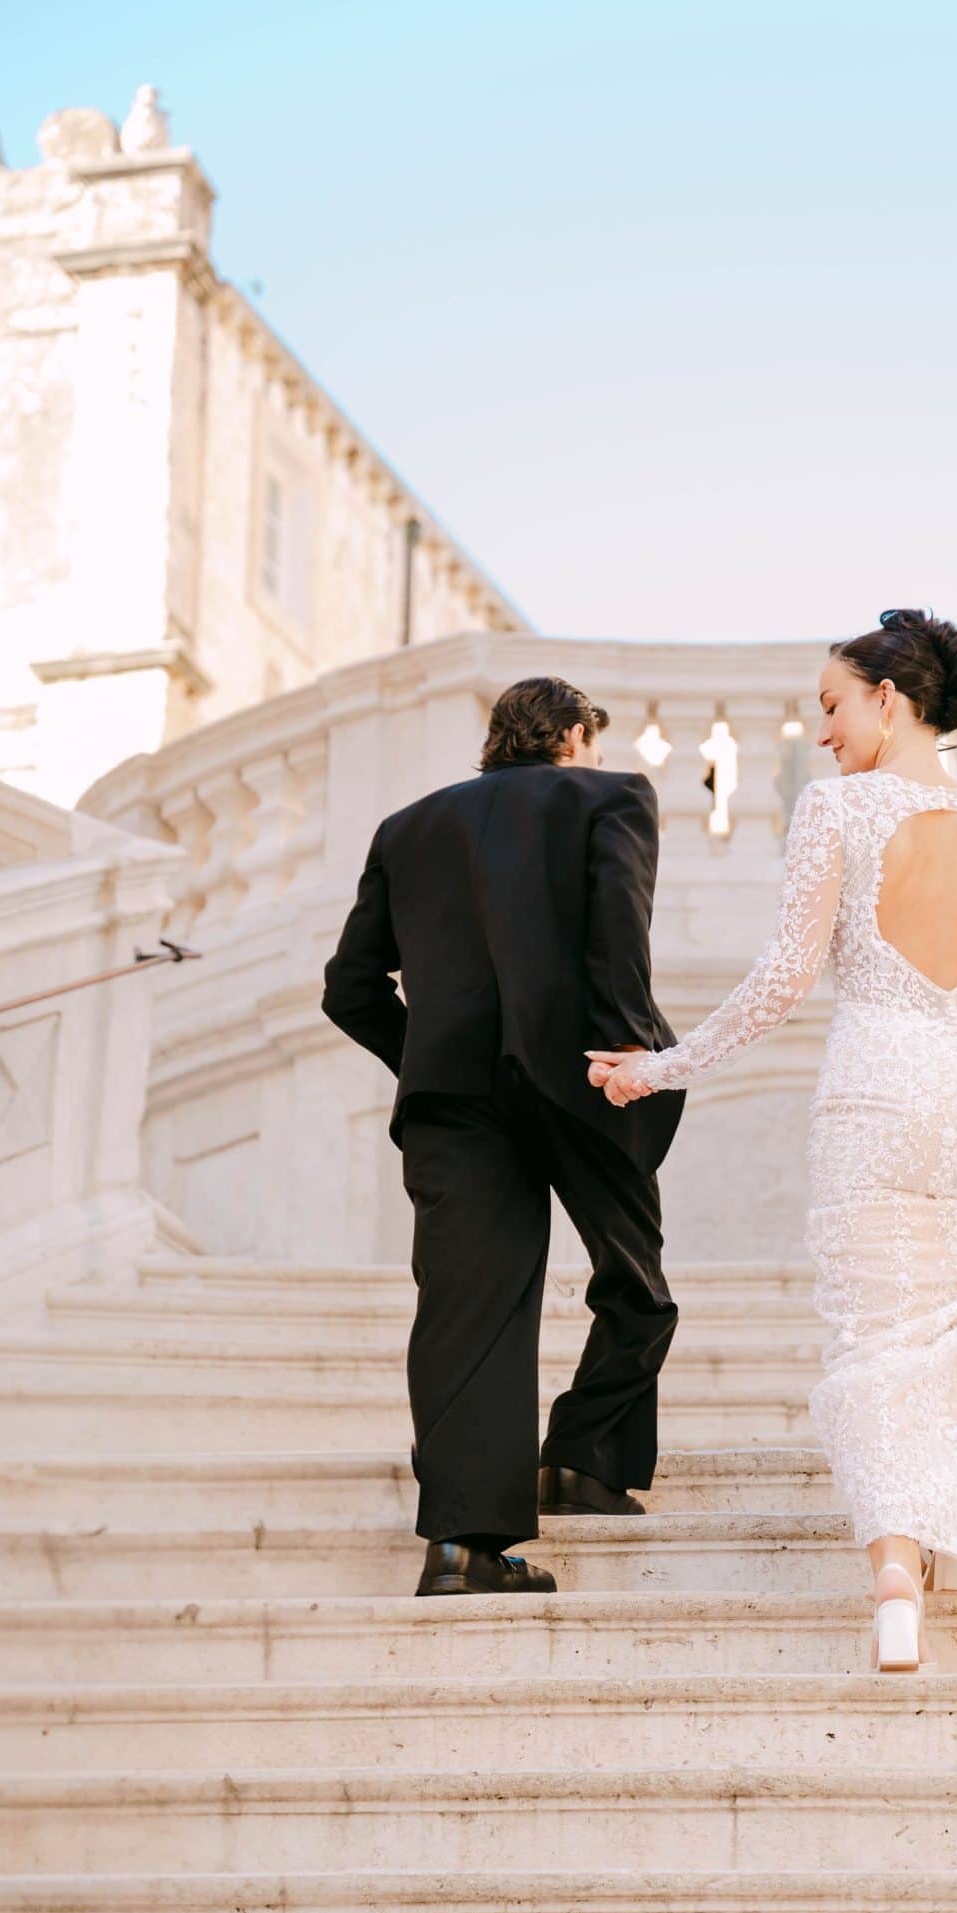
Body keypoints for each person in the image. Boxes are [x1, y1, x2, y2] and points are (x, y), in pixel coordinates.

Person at [589, 608, 957, 1671]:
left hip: (886, 1086)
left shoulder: (834, 810)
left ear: (888, 698)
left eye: (831, 706)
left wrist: (657, 1067)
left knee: (879, 1336)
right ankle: (931, 1545)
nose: (821, 733)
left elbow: (785, 981)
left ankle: (893, 1569)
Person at [321, 676, 683, 1596]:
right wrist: (631, 1056)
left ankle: (462, 1548)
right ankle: (584, 1461)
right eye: (589, 744)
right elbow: (617, 940)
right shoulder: (611, 796)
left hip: (454, 1098)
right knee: (633, 1280)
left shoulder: (407, 828)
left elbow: (349, 988)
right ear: (569, 735)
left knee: (465, 1314)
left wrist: (430, 1059)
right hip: (580, 1079)